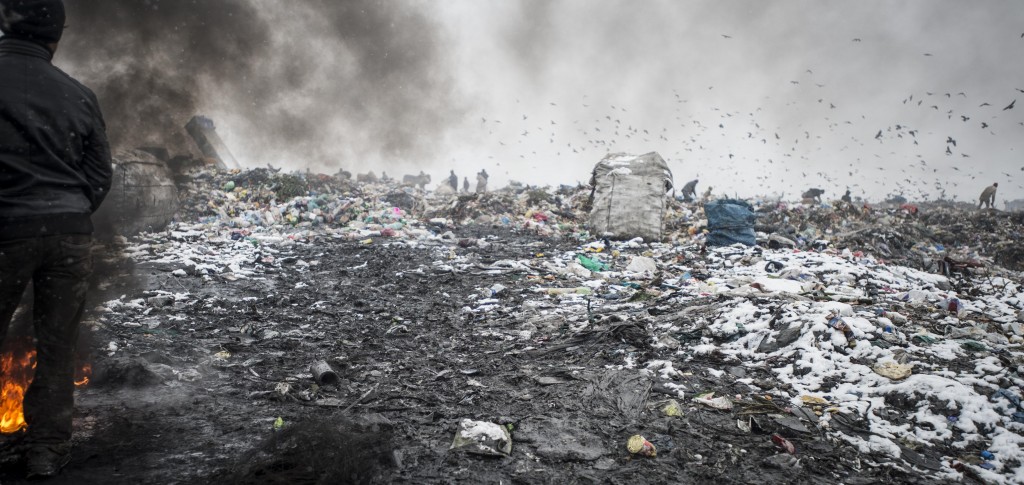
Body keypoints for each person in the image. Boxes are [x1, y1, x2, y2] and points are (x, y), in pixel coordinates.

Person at [0, 0, 112, 478]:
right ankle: (45, 450)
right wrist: (66, 211)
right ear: (57, 37)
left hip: (5, 231)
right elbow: (100, 174)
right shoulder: (78, 93)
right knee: (57, 344)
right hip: (68, 234)